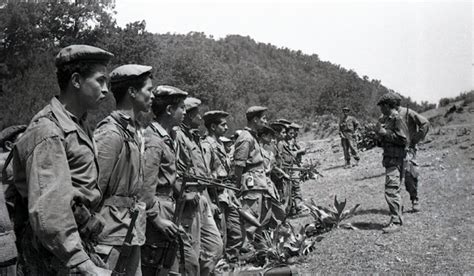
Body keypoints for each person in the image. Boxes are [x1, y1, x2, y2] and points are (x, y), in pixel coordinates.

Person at [9, 45, 113, 275]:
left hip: (72, 242)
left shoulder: (77, 124)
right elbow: (50, 210)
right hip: (54, 255)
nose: (106, 90)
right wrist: (80, 262)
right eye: (100, 81)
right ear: (76, 80)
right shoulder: (48, 131)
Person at [93, 64, 154, 275]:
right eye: (149, 90)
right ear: (132, 92)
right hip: (109, 233)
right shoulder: (111, 132)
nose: (152, 96)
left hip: (131, 230)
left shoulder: (133, 132)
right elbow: (94, 188)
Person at [140, 85, 199, 275]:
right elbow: (145, 187)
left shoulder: (168, 137)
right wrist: (155, 218)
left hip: (169, 207)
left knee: (185, 264)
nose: (184, 111)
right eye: (181, 107)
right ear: (168, 110)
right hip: (157, 210)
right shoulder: (153, 140)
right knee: (159, 266)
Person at [175, 97, 223, 276]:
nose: (201, 117)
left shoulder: (193, 137)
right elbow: (176, 172)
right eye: (197, 114)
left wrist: (210, 201)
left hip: (202, 197)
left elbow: (203, 176)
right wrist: (184, 194)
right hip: (188, 200)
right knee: (191, 252)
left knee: (215, 247)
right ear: (187, 115)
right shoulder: (178, 136)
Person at [201, 110, 243, 261]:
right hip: (215, 196)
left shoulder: (219, 144)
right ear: (213, 126)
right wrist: (209, 200)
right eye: (223, 125)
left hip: (225, 193)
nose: (226, 127)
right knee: (220, 234)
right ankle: (221, 265)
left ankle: (231, 262)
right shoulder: (206, 146)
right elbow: (204, 174)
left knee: (236, 231)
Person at [233, 106, 271, 249]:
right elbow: (239, 165)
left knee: (258, 219)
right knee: (251, 221)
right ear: (255, 120)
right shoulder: (246, 138)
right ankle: (247, 252)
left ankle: (258, 250)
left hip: (258, 183)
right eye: (263, 118)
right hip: (251, 185)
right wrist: (237, 187)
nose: (266, 121)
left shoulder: (252, 137)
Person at [376, 93, 409, 234]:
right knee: (394, 189)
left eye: (382, 106)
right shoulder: (387, 119)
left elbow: (403, 140)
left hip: (396, 159)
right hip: (390, 158)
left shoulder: (397, 118)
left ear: (387, 105)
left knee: (391, 190)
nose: (380, 109)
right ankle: (397, 217)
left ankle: (396, 221)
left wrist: (385, 133)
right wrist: (379, 136)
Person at [395, 95, 430, 212]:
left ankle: (415, 199)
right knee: (395, 178)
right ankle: (396, 205)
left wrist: (415, 139)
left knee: (410, 174)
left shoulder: (408, 112)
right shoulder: (387, 115)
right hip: (394, 150)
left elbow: (425, 123)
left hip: (408, 149)